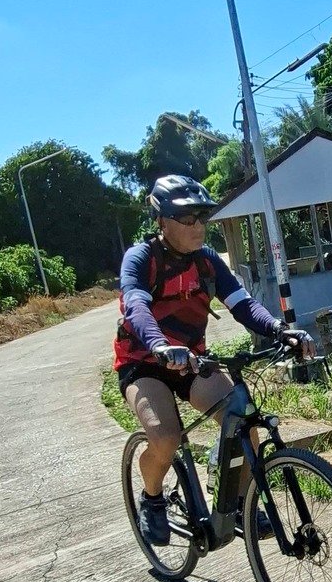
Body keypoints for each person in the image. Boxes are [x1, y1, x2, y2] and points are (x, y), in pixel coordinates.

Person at [115, 173, 313, 545]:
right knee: (166, 437)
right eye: (187, 218)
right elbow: (136, 305)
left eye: (202, 217)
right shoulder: (142, 258)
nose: (198, 226)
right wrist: (159, 345)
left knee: (243, 421)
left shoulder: (206, 262)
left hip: (192, 360)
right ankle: (152, 498)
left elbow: (243, 304)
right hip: (144, 361)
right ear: (162, 220)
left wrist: (278, 329)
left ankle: (239, 503)